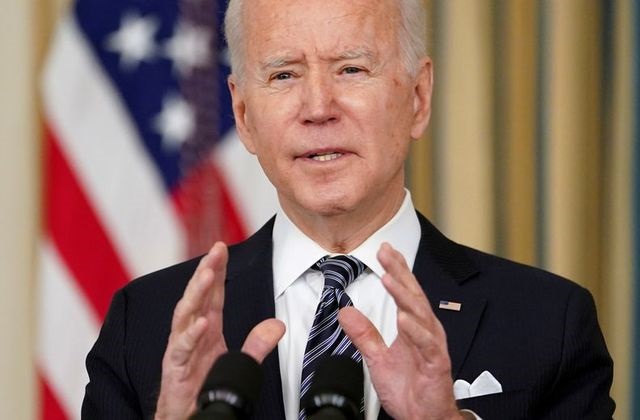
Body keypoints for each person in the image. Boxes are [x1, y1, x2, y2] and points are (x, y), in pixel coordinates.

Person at [81, 0, 615, 419]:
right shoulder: (147, 324)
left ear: (418, 97)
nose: (318, 108)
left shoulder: (548, 323)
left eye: (352, 69)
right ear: (243, 114)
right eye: (285, 75)